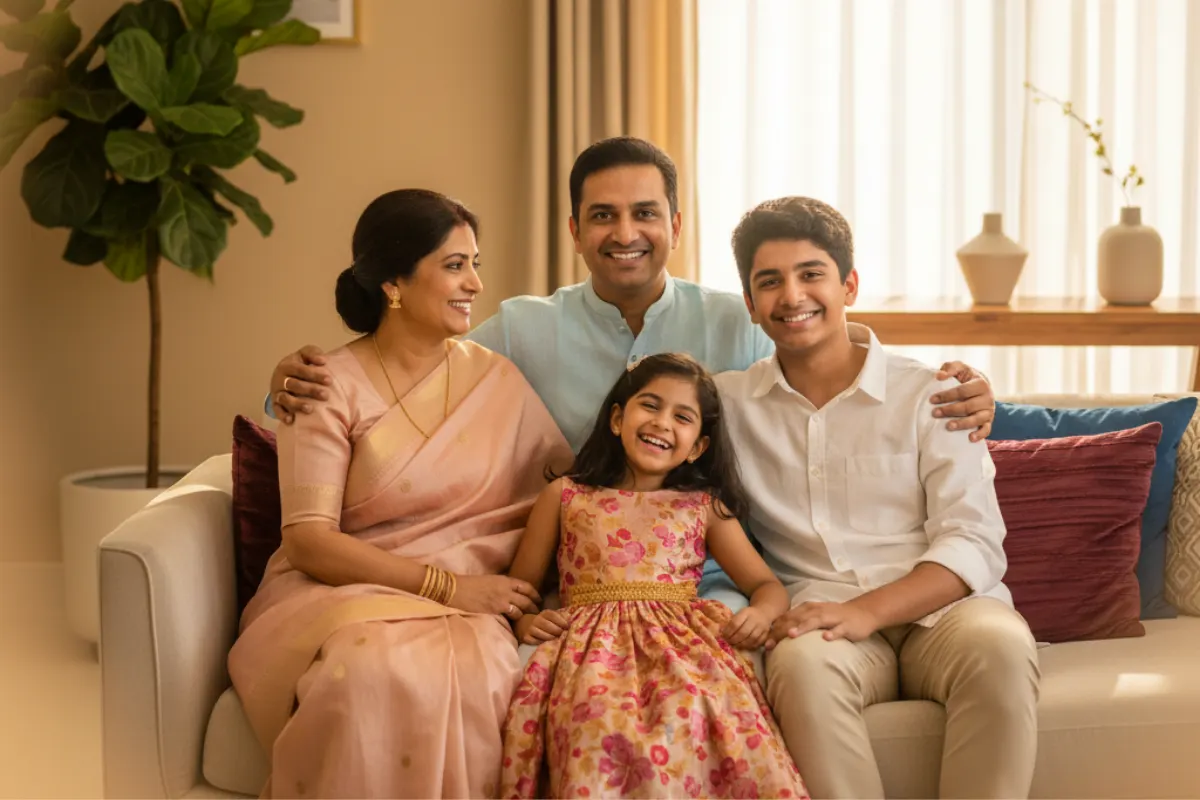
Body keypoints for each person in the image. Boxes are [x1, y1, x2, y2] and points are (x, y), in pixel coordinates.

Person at [264, 137, 998, 612]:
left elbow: (829, 359)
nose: (625, 233)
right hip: (574, 586)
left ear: (676, 225)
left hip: (712, 583)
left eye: (645, 213)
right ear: (575, 231)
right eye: (603, 215)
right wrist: (289, 382)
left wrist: (969, 395)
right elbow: (400, 374)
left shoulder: (740, 321)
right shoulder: (521, 330)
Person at [227, 189, 572, 799]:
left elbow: (564, 492)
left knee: (479, 671)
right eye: (455, 265)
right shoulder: (323, 385)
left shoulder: (494, 379)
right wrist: (449, 589)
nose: (475, 283)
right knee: (366, 668)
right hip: (341, 589)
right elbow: (308, 542)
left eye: (475, 264)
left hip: (472, 601)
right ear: (393, 283)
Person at [714, 197, 1040, 799]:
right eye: (770, 281)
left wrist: (868, 610)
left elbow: (973, 539)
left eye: (811, 273)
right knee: (800, 666)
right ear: (751, 304)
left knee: (1002, 647)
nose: (792, 295)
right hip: (821, 615)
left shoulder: (933, 395)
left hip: (947, 615)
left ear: (849, 285)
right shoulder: (725, 405)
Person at [499, 353, 807, 800]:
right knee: (597, 720)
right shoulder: (565, 496)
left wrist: (761, 613)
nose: (662, 423)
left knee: (699, 708)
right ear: (617, 419)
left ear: (698, 446)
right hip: (591, 653)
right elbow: (519, 592)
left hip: (682, 650)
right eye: (650, 405)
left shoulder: (703, 506)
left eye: (682, 417)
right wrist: (526, 622)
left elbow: (767, 586)